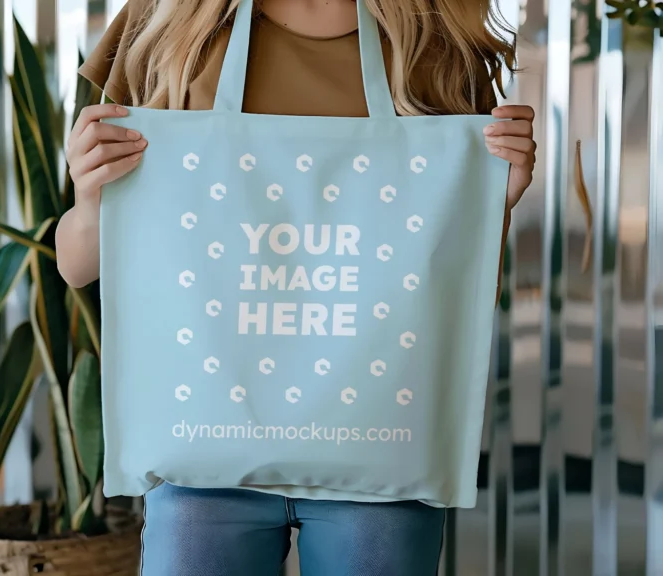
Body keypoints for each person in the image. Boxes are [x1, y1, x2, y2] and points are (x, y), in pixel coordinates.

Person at [55, 0, 536, 574]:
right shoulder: (169, 22)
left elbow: (457, 298)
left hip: (377, 465)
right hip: (204, 465)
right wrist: (90, 202)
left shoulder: (437, 38)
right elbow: (77, 266)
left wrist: (493, 206)